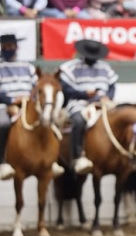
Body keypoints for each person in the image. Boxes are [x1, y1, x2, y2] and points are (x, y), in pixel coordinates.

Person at [0, 34, 63, 180]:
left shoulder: (28, 67)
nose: (9, 49)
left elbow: (37, 87)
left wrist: (30, 99)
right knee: (2, 124)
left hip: (29, 104)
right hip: (6, 105)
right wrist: (11, 100)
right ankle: (2, 161)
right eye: (5, 46)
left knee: (51, 121)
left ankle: (53, 160)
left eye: (11, 46)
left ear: (16, 47)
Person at [59, 39, 118, 175]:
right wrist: (84, 93)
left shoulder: (104, 67)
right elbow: (65, 89)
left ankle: (120, 154)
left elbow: (112, 86)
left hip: (103, 104)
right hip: (80, 103)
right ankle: (77, 156)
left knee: (119, 118)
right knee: (79, 121)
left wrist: (108, 96)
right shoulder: (72, 67)